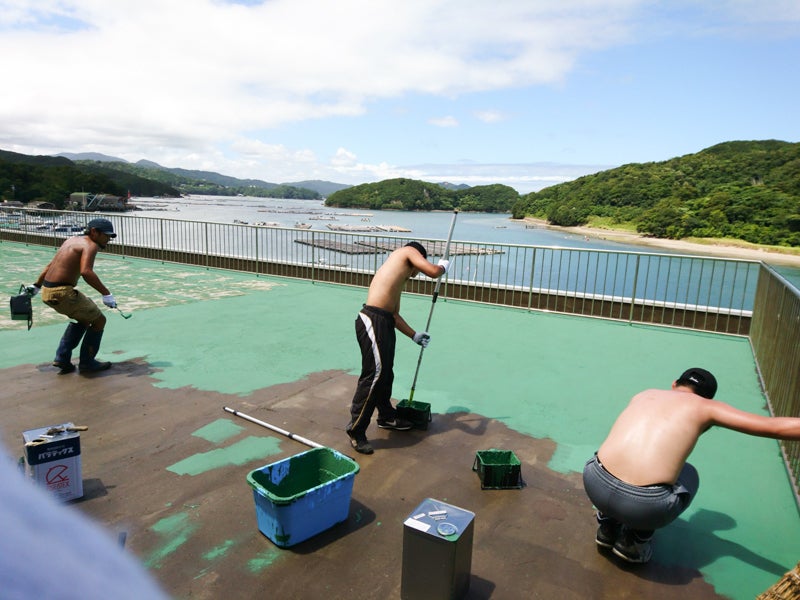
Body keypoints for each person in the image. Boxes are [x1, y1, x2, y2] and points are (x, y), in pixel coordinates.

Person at [583, 367, 800, 564]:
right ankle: (635, 542)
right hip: (643, 506)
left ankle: (607, 525)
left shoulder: (645, 394)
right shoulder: (706, 407)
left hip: (594, 481)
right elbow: (774, 427)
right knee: (688, 474)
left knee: (623, 455)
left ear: (674, 383)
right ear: (708, 398)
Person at [346, 241, 450, 455]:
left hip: (384, 320)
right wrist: (442, 267)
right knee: (374, 375)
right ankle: (356, 431)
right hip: (372, 319)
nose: (416, 273)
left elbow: (393, 315)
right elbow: (433, 272)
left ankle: (386, 416)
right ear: (418, 258)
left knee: (385, 374)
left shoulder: (398, 279)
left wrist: (414, 335)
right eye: (418, 266)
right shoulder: (407, 251)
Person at [28, 218, 119, 375]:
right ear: (94, 232)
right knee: (100, 321)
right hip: (63, 292)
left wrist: (36, 285)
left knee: (84, 319)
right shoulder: (90, 245)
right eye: (106, 235)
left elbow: (50, 265)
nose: (108, 239)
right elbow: (86, 272)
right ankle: (87, 363)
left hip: (48, 292)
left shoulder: (71, 240)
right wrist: (106, 294)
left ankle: (62, 358)